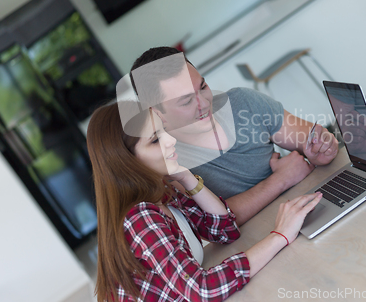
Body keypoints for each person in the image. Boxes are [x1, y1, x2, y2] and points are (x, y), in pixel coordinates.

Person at [87, 101, 323, 302]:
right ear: (126, 162)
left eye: (164, 131)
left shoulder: (163, 194)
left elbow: (226, 231)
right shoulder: (139, 218)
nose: (170, 140)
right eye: (155, 140)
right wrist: (280, 235)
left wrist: (186, 176)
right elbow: (203, 291)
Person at [128, 47, 339, 225]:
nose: (203, 103)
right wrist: (281, 179)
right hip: (259, 240)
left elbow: (311, 141)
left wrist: (322, 150)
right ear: (156, 111)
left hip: (310, 210)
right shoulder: (163, 157)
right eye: (185, 101)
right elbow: (217, 221)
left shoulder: (242, 102)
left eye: (203, 87)